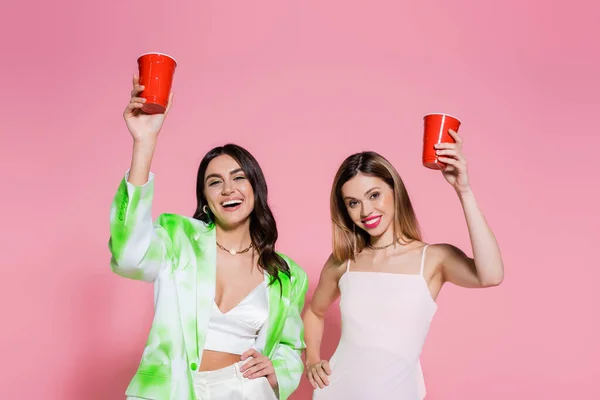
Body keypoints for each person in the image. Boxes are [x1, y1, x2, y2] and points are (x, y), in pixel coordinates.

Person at [109, 75, 308, 400]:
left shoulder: (287, 274)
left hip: (244, 392)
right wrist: (144, 143)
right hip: (167, 390)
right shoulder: (178, 237)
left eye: (238, 178)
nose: (228, 189)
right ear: (204, 197)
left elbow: (290, 346)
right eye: (215, 182)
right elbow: (127, 256)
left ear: (255, 189)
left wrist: (277, 373)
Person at [303, 132, 504, 399]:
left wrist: (463, 190)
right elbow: (314, 313)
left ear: (394, 190)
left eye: (374, 195)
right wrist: (312, 360)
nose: (366, 211)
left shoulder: (434, 259)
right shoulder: (344, 259)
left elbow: (490, 275)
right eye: (353, 203)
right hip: (337, 391)